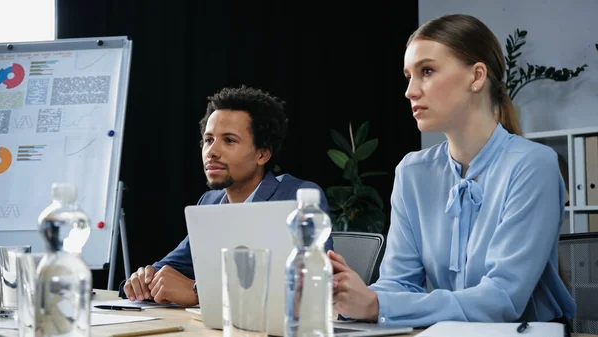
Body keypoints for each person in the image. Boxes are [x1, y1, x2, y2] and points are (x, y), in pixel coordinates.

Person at [329, 14, 576, 327]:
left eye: (427, 71)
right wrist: (350, 296)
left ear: (476, 76)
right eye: (408, 76)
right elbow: (398, 283)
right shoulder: (413, 172)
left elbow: (502, 301)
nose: (410, 91)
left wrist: (378, 305)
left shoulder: (533, 165)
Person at [121, 85, 334, 305]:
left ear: (262, 154)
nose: (212, 152)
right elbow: (172, 266)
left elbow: (310, 288)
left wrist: (198, 291)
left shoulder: (298, 197)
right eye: (208, 140)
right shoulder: (209, 202)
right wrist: (144, 280)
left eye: (229, 140)